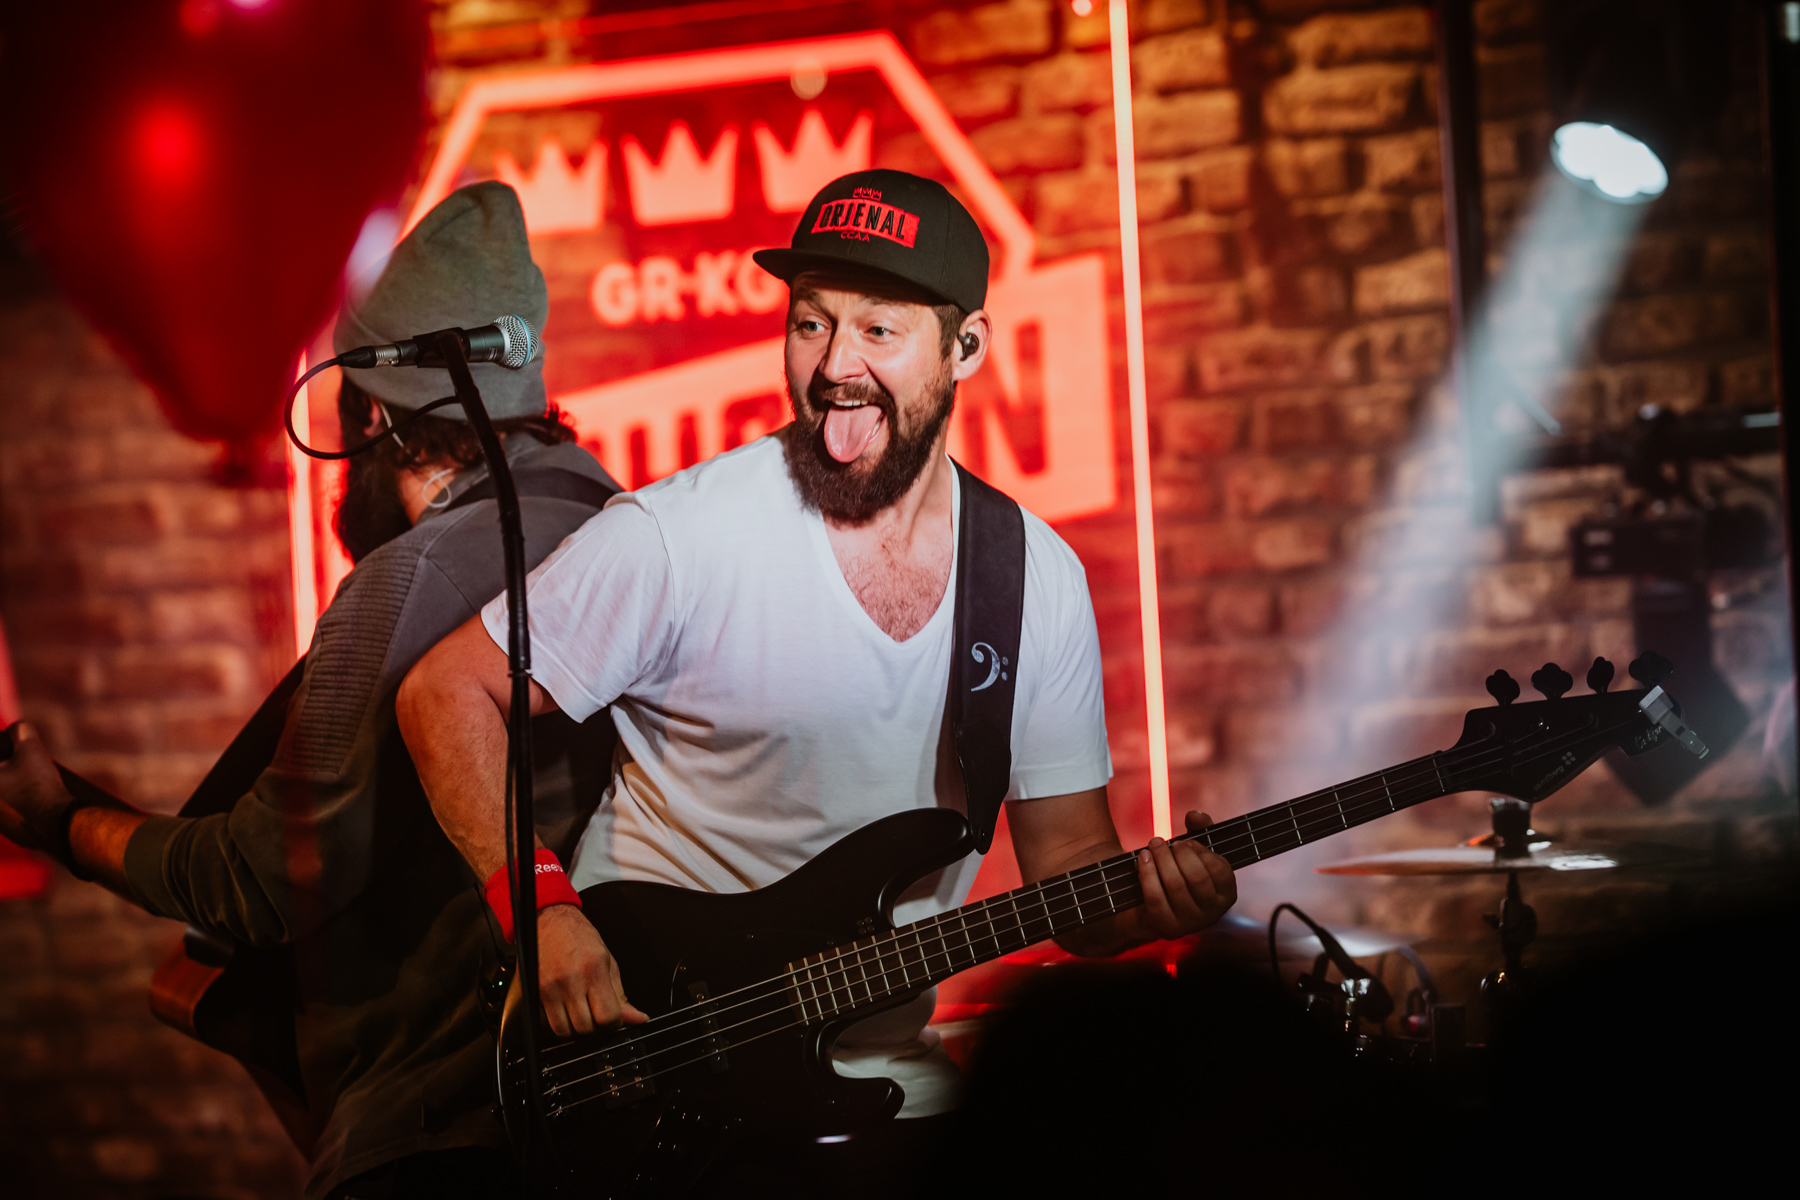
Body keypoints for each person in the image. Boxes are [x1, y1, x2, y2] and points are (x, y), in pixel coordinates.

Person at [396, 169, 1237, 1192]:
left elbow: (1072, 879)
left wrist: (1154, 906)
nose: (836, 365)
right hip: (654, 1080)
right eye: (810, 323)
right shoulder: (682, 536)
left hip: (886, 1094)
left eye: (879, 329)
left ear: (966, 347)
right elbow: (443, 692)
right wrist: (543, 914)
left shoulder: (1034, 580)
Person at [0, 182, 620, 1200]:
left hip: (431, 1138)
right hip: (608, 1119)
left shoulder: (405, 582)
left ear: (370, 411)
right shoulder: (614, 523)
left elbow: (255, 884)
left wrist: (61, 819)